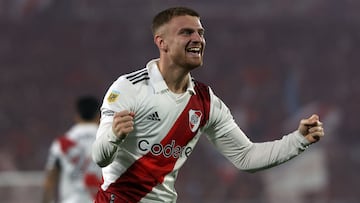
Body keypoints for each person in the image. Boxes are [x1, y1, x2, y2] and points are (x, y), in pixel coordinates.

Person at [92, 7, 325, 203]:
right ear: (161, 42)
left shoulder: (204, 101)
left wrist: (299, 140)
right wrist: (113, 135)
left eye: (200, 33)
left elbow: (246, 157)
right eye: (186, 32)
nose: (197, 39)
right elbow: (100, 157)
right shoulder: (129, 88)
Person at [42, 96, 102, 203]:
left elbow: (50, 180)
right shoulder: (108, 141)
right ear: (98, 116)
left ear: (77, 116)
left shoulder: (62, 143)